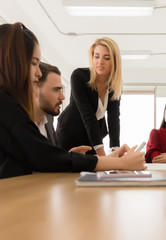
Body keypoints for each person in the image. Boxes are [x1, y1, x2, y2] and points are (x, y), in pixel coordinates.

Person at [0, 22, 145, 179]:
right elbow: (44, 156)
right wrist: (117, 163)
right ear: (13, 62)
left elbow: (114, 118)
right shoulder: (7, 107)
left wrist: (113, 152)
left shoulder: (15, 107)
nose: (39, 73)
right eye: (34, 63)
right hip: (73, 132)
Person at [56, 37, 122, 156]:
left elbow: (114, 117)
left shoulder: (115, 85)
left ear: (114, 61)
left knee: (93, 171)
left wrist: (116, 150)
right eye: (96, 56)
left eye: (106, 58)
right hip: (70, 131)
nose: (100, 62)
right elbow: (88, 116)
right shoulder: (79, 76)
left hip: (92, 135)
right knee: (68, 170)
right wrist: (102, 153)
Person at [35, 62, 91, 154]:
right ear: (35, 88)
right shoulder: (15, 125)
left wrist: (71, 156)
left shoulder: (48, 118)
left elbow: (54, 158)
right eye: (56, 89)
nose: (62, 97)